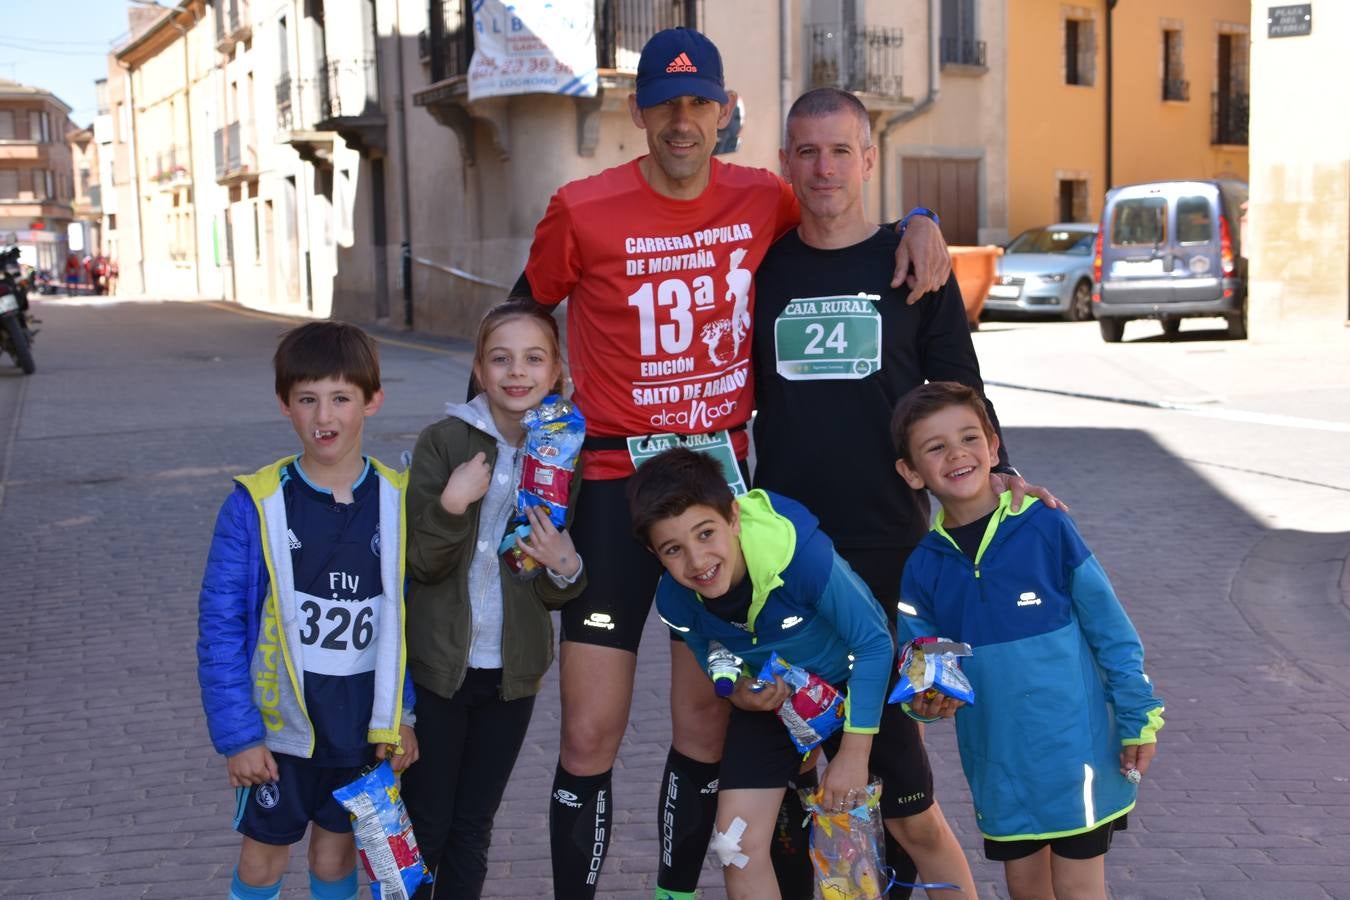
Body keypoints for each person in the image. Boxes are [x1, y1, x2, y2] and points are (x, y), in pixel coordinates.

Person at [517, 26, 951, 899]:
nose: (683, 121)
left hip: (721, 500)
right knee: (589, 736)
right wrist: (513, 429)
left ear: (724, 112)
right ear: (638, 113)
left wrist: (921, 222)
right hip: (610, 494)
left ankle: (679, 893)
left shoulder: (762, 197)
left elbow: (840, 209)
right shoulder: (582, 207)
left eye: (700, 103)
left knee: (704, 730)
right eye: (665, 104)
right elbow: (522, 316)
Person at [751, 87, 1061, 898]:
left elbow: (961, 391)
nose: (824, 169)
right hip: (782, 553)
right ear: (786, 163)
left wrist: (998, 477)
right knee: (788, 778)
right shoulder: (762, 267)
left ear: (869, 160)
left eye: (840, 151)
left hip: (891, 550)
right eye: (807, 152)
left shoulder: (912, 262)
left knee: (896, 777)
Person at [627, 448, 967, 899]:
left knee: (917, 827)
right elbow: (712, 655)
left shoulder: (797, 553)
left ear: (733, 517)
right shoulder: (674, 600)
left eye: (705, 533)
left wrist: (852, 754)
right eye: (673, 549)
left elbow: (873, 641)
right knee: (737, 847)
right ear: (655, 553)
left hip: (859, 676)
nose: (697, 561)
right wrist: (738, 693)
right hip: (777, 695)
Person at [891, 381, 1165, 900]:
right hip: (998, 767)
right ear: (910, 472)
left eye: (969, 438)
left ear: (994, 447)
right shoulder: (923, 567)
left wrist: (1138, 718)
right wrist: (927, 703)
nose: (956, 454)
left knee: (1080, 889)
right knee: (1025, 888)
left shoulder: (1046, 527)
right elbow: (922, 671)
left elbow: (1112, 631)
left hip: (1074, 752)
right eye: (935, 447)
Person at [196, 321, 420, 900]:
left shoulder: (398, 499)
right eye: (308, 399)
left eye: (342, 397)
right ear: (285, 405)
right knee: (263, 859)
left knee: (335, 853)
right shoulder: (256, 502)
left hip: (363, 727)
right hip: (280, 733)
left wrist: (405, 717)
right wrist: (239, 735)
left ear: (372, 400)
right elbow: (221, 626)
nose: (326, 416)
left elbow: (409, 622)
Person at [400, 301, 587, 899]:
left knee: (473, 827)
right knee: (423, 823)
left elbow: (561, 584)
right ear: (479, 370)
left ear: (556, 371)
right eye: (501, 359)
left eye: (534, 359)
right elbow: (419, 562)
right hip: (438, 669)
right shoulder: (444, 440)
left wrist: (565, 566)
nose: (517, 372)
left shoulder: (564, 449)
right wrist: (453, 505)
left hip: (511, 676)